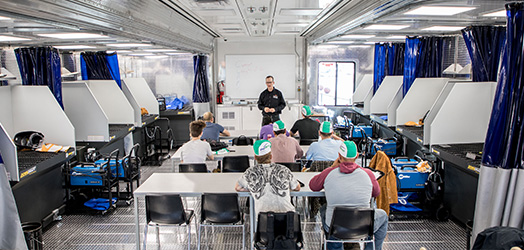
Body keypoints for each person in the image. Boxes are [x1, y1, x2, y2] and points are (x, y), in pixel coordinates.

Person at [309, 141, 388, 250]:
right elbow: (376, 193)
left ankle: (334, 245)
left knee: (324, 209)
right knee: (383, 215)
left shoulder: (329, 172)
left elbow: (313, 186)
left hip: (335, 227)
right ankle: (372, 248)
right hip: (362, 226)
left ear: (339, 156)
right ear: (357, 156)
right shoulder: (368, 174)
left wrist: (332, 167)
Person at [235, 140, 301, 218]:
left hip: (264, 222)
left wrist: (253, 189)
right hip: (288, 219)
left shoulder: (249, 172)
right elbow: (297, 187)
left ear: (255, 158)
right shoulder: (284, 169)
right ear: (271, 156)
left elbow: (238, 187)